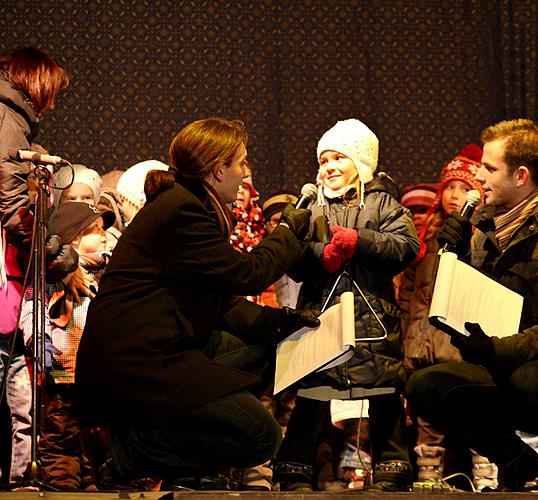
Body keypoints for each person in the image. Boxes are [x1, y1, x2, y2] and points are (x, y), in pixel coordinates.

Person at [74, 118, 320, 489]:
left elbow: (219, 302)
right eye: (241, 163)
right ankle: (133, 450)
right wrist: (285, 233)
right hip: (137, 362)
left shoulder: (191, 205)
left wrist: (282, 322)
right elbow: (246, 274)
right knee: (261, 437)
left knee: (272, 348)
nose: (245, 174)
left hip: (162, 349)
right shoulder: (181, 210)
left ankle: (180, 464)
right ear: (218, 170)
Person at [405, 118, 538, 492]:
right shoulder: (484, 229)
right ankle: (516, 460)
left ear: (520, 175)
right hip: (506, 366)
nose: (479, 177)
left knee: (529, 380)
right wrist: (456, 258)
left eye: (489, 168)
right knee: (424, 386)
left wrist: (497, 349)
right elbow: (476, 302)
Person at [272, 118, 420, 492]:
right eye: (323, 160)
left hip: (373, 318)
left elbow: (405, 246)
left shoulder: (382, 202)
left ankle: (392, 467)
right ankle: (294, 469)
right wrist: (322, 256)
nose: (329, 168)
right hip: (322, 315)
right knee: (313, 391)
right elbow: (291, 255)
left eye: (339, 158)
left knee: (384, 391)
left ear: (361, 162)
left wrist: (362, 242)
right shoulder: (311, 208)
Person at [0, 46, 74, 485]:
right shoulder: (8, 119)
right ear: (36, 82)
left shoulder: (13, 121)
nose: (52, 103)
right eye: (52, 92)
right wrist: (49, 249)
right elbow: (9, 204)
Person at [397, 145, 487, 486]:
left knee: (476, 410)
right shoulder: (425, 240)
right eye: (449, 187)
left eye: (464, 188)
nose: (454, 195)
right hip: (424, 343)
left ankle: (485, 477)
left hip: (461, 344)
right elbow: (409, 294)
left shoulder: (481, 238)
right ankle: (429, 478)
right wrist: (408, 336)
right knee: (428, 417)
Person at [20, 202, 114, 490]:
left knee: (95, 441)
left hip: (96, 378)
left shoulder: (106, 276)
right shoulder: (50, 279)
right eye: (95, 229)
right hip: (63, 371)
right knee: (62, 437)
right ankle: (63, 489)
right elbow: (31, 310)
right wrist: (41, 344)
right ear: (73, 239)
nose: (103, 235)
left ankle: (91, 487)